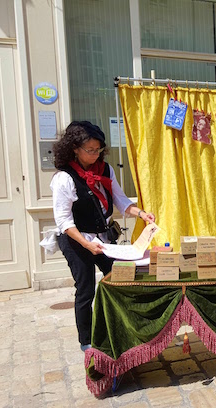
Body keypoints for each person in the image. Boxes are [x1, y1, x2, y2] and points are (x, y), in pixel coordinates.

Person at [51, 121, 155, 352]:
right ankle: (87, 342)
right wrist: (87, 245)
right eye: (90, 150)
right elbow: (64, 222)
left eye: (98, 149)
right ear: (75, 149)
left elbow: (121, 201)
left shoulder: (105, 170)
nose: (95, 154)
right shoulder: (64, 178)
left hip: (103, 239)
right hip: (76, 239)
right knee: (86, 288)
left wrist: (142, 214)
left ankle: (121, 327)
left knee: (119, 278)